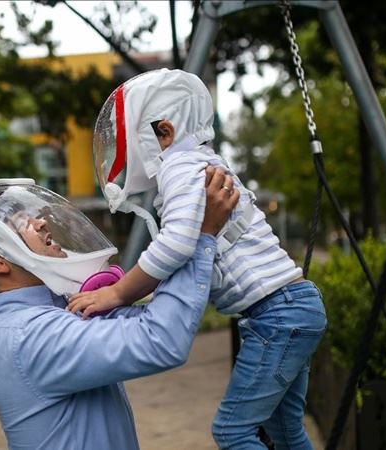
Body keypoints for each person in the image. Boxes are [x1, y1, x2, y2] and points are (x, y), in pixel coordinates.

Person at [70, 68, 327, 449]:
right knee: (284, 431)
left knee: (232, 431)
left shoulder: (179, 167)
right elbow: (187, 247)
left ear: (165, 131)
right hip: (290, 308)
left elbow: (176, 245)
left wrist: (118, 294)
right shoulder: (201, 162)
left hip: (278, 313)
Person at [0, 172, 238, 450]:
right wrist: (200, 235)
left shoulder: (54, 313)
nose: (40, 221)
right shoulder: (30, 335)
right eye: (20, 224)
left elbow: (156, 320)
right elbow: (161, 339)